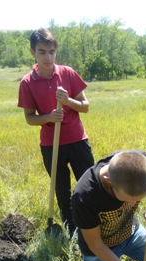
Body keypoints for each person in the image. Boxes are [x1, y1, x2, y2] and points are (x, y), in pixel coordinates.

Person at [18, 28, 94, 237]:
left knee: (89, 184)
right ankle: (72, 231)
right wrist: (49, 117)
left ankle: (93, 227)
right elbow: (29, 118)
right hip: (51, 144)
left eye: (52, 52)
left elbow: (85, 106)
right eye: (42, 52)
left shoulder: (68, 73)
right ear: (33, 51)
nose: (48, 57)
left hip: (78, 139)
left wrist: (67, 100)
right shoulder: (27, 83)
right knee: (62, 190)